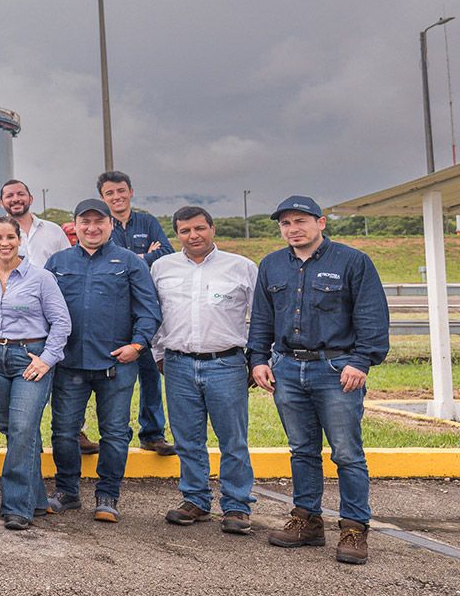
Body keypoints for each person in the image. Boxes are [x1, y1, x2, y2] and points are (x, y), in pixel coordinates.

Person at [249, 195, 389, 565]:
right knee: (302, 450)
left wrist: (361, 361)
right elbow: (262, 317)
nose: (292, 229)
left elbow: (372, 316)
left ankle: (354, 528)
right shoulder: (272, 265)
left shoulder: (352, 262)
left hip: (336, 370)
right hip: (288, 370)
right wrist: (258, 359)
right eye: (285, 224)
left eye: (300, 222)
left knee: (347, 453)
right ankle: (306, 520)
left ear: (321, 222)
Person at [45, 199, 161, 523]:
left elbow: (149, 310)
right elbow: (41, 307)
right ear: (75, 225)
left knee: (114, 432)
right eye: (86, 222)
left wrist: (137, 346)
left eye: (99, 222)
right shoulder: (57, 262)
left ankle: (107, 494)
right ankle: (66, 491)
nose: (92, 228)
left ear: (111, 224)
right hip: (69, 365)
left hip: (117, 364)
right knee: (64, 431)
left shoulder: (129, 262)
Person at [152, 206, 258, 535]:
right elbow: (154, 313)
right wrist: (159, 354)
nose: (193, 236)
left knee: (233, 439)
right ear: (177, 235)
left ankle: (237, 505)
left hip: (226, 363)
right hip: (178, 363)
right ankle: (195, 500)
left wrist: (256, 360)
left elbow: (261, 318)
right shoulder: (161, 268)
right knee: (187, 438)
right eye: (185, 231)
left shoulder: (241, 268)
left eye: (199, 228)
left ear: (212, 229)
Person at [0, 216, 71, 530]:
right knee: (13, 429)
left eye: (10, 237)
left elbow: (61, 322)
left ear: (20, 240)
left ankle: (17, 506)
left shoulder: (41, 278)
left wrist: (47, 359)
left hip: (29, 357)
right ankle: (39, 499)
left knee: (21, 428)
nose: (4, 243)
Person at [99, 171, 178, 456]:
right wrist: (145, 256)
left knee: (150, 375)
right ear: (103, 197)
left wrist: (132, 259)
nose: (116, 197)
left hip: (145, 309)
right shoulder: (102, 225)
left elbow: (167, 252)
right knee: (114, 379)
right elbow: (105, 260)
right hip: (114, 312)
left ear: (131, 191)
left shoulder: (147, 222)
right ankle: (116, 433)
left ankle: (153, 433)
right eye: (110, 193)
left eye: (121, 191)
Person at [0, 180, 69, 269]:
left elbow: (68, 265)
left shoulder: (54, 231)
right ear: (1, 203)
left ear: (31, 199)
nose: (16, 199)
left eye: (21, 194)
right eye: (9, 196)